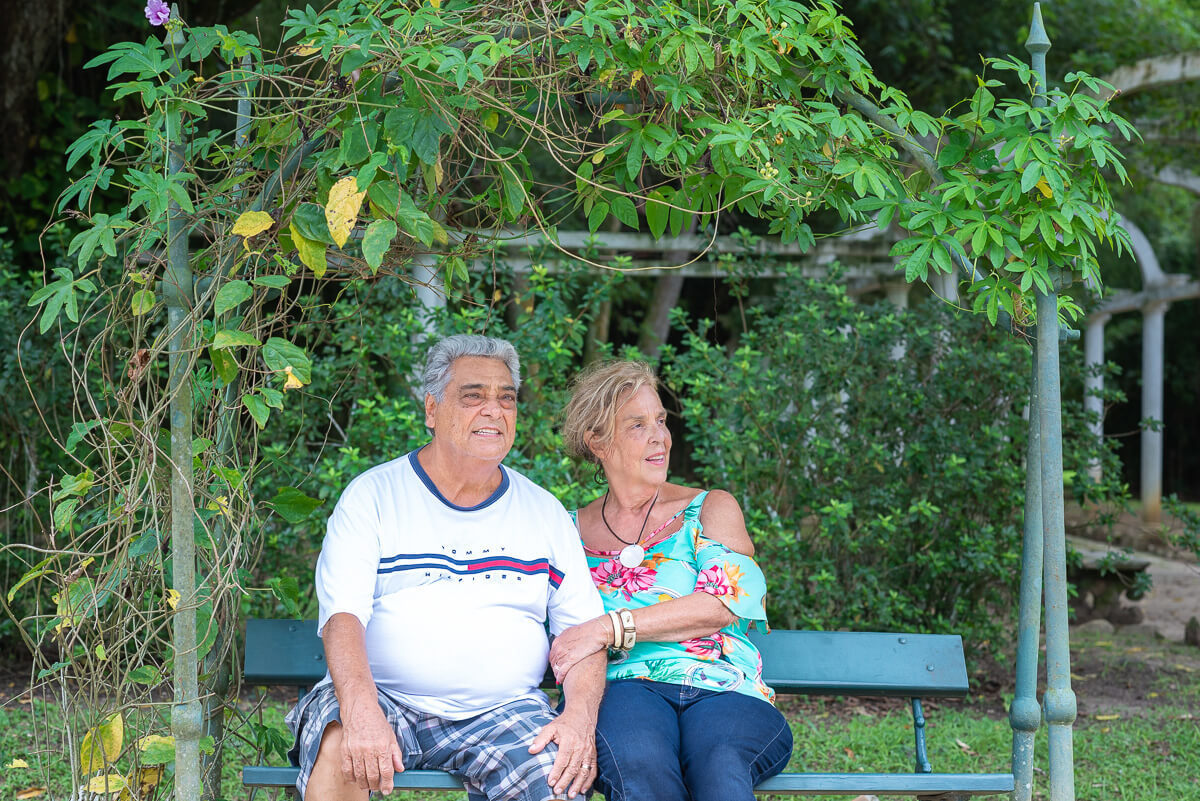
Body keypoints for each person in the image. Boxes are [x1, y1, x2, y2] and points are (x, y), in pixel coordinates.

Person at [285, 334, 607, 801]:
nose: (494, 411)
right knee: (342, 751)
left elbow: (583, 637)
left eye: (507, 399)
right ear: (432, 410)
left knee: (554, 779)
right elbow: (343, 618)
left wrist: (578, 716)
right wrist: (360, 708)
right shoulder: (373, 496)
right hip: (384, 698)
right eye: (473, 396)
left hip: (505, 711)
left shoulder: (545, 512)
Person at [549, 359, 793, 801]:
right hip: (624, 689)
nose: (660, 436)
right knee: (641, 768)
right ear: (597, 442)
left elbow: (725, 601)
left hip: (723, 687)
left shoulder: (711, 508)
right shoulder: (566, 531)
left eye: (661, 420)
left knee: (720, 766)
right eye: (637, 425)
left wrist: (609, 627)